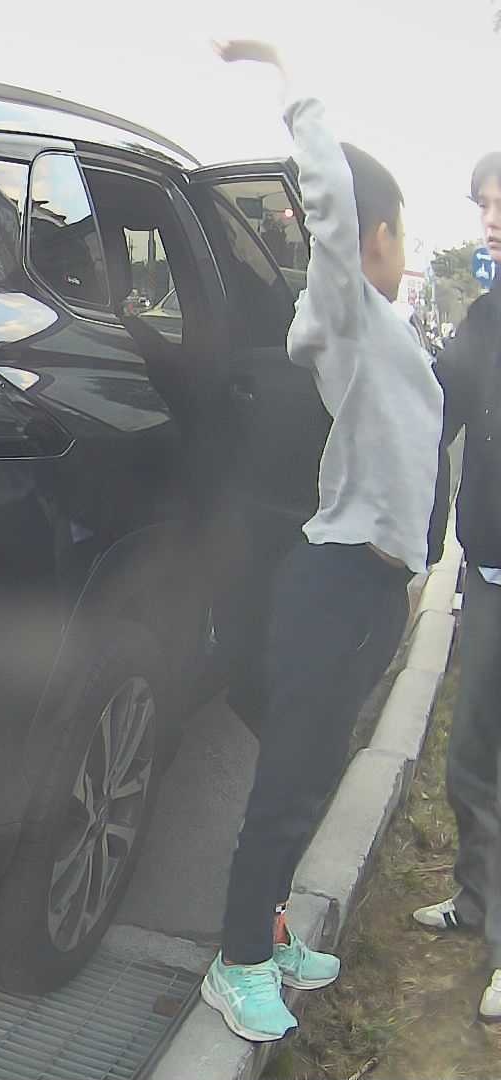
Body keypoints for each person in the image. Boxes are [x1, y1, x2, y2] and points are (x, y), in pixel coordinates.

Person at [202, 40, 445, 1043]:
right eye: (397, 230)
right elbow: (331, 202)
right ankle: (236, 964)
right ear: (376, 236)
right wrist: (286, 73)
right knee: (287, 783)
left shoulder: (383, 328)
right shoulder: (352, 313)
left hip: (372, 592)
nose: (395, 245)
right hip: (335, 583)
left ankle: (271, 931)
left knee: (311, 776)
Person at [411, 150, 501, 1023]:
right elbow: (434, 409)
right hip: (491, 575)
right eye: (485, 205)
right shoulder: (485, 317)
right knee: (473, 754)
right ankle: (477, 900)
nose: (492, 219)